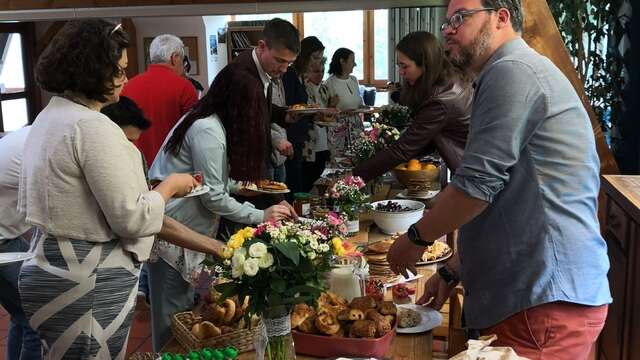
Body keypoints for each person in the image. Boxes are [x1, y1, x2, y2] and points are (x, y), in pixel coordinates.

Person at [386, 0, 611, 358]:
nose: (447, 29)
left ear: (501, 18)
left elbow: (477, 187)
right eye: (446, 22)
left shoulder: (513, 71)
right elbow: (509, 199)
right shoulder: (509, 72)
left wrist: (416, 238)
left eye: (459, 19)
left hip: (539, 303)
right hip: (534, 299)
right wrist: (451, 271)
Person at [18, 20, 198, 359]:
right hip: (86, 279)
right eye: (118, 70)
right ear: (91, 70)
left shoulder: (51, 114)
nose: (125, 79)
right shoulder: (91, 125)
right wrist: (171, 186)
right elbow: (131, 218)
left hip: (47, 265)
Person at [146, 18, 300, 351]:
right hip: (174, 231)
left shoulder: (213, 124)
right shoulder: (209, 132)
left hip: (188, 228)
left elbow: (206, 182)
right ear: (237, 104)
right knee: (172, 326)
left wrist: (238, 186)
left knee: (189, 318)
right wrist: (261, 215)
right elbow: (212, 196)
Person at [101, 96, 227, 306]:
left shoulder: (127, 157)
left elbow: (153, 215)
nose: (131, 148)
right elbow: (144, 217)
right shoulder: (103, 162)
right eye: (128, 141)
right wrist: (169, 187)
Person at [352, 31, 472, 182]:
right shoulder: (448, 80)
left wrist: (352, 179)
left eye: (405, 66)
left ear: (425, 64)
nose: (401, 72)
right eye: (399, 65)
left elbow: (403, 150)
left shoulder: (441, 101)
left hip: (473, 175)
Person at [121, 34, 198, 166]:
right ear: (174, 58)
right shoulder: (185, 88)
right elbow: (195, 133)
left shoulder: (128, 86)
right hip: (174, 170)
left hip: (136, 166)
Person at [0, 126, 42, 360]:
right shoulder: (43, 145)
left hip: (7, 236)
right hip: (2, 241)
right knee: (37, 321)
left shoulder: (33, 132)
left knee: (22, 316)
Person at [281, 36, 326, 195]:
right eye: (314, 58)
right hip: (291, 138)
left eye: (320, 59)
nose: (317, 63)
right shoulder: (289, 75)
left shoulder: (299, 76)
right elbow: (288, 107)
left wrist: (314, 115)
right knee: (293, 185)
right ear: (303, 55)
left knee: (298, 183)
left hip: (299, 137)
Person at [325, 48, 365, 156]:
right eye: (352, 60)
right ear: (342, 61)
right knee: (340, 161)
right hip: (339, 130)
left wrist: (363, 107)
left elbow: (359, 102)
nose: (355, 64)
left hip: (356, 127)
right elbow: (326, 111)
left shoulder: (354, 80)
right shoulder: (330, 82)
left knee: (359, 157)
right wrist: (333, 105)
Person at [302, 57, 332, 192]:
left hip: (323, 137)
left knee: (320, 168)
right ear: (307, 72)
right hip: (309, 138)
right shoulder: (304, 88)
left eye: (322, 71)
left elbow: (326, 111)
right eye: (316, 71)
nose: (320, 75)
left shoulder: (324, 89)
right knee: (308, 173)